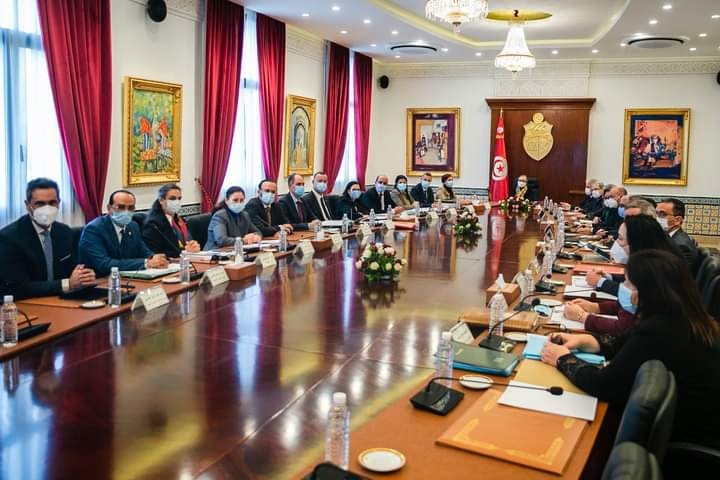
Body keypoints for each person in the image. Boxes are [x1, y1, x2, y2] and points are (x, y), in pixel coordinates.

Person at [541, 249, 720, 449]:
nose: (622, 289)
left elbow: (605, 384)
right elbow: (623, 343)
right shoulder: (679, 315)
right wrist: (585, 341)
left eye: (628, 284)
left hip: (687, 442)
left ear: (648, 291)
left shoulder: (661, 330)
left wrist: (562, 359)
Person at [567, 215, 683, 334]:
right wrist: (595, 307)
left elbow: (624, 328)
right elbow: (623, 306)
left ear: (637, 243)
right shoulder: (648, 263)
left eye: (621, 239)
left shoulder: (655, 273)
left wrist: (583, 317)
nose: (616, 243)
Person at [0, 178, 96, 300]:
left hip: (61, 301)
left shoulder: (64, 232)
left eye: (52, 203)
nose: (47, 208)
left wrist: (83, 276)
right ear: (28, 205)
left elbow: (71, 271)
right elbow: (17, 288)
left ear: (59, 203)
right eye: (40, 204)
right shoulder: (9, 238)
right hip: (27, 304)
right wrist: (67, 284)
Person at [79, 190, 168, 277]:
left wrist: (155, 258)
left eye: (131, 208)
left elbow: (142, 250)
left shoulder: (133, 226)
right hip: (99, 282)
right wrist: (146, 263)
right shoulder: (94, 229)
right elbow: (103, 264)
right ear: (109, 208)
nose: (126, 211)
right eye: (121, 207)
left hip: (126, 278)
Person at [142, 183, 201, 258]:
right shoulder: (153, 224)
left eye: (179, 198)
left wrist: (193, 245)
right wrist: (184, 252)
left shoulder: (179, 219)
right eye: (172, 198)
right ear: (161, 200)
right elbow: (155, 252)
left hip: (186, 259)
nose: (177, 202)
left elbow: (187, 241)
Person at [656, 198, 699, 273]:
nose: (657, 218)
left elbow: (674, 276)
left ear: (678, 220)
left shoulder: (681, 246)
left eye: (662, 214)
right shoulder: (668, 237)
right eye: (656, 214)